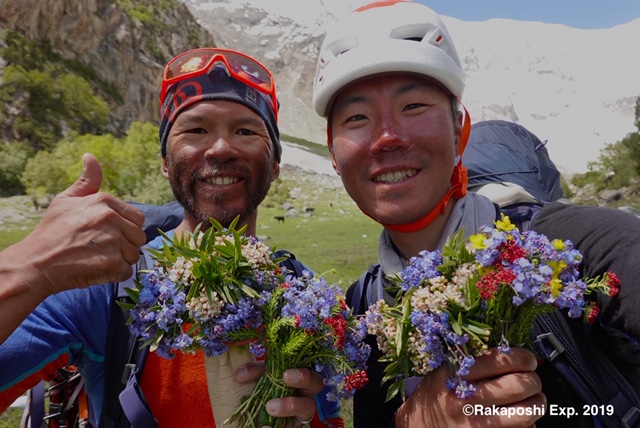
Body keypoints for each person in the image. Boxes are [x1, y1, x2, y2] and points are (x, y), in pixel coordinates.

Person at [311, 2, 639, 428]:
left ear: (458, 128)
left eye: (413, 106)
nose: (387, 137)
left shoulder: (588, 249)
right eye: (357, 118)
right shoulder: (363, 315)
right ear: (334, 154)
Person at [1, 48, 341, 428]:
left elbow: (330, 417)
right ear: (165, 162)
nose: (221, 148)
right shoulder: (109, 285)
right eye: (196, 130)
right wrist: (28, 266)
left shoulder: (304, 294)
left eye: (245, 131)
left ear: (275, 164)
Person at [0, 153, 147, 345]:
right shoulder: (85, 288)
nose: (202, 148)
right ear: (165, 163)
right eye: (195, 130)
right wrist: (35, 265)